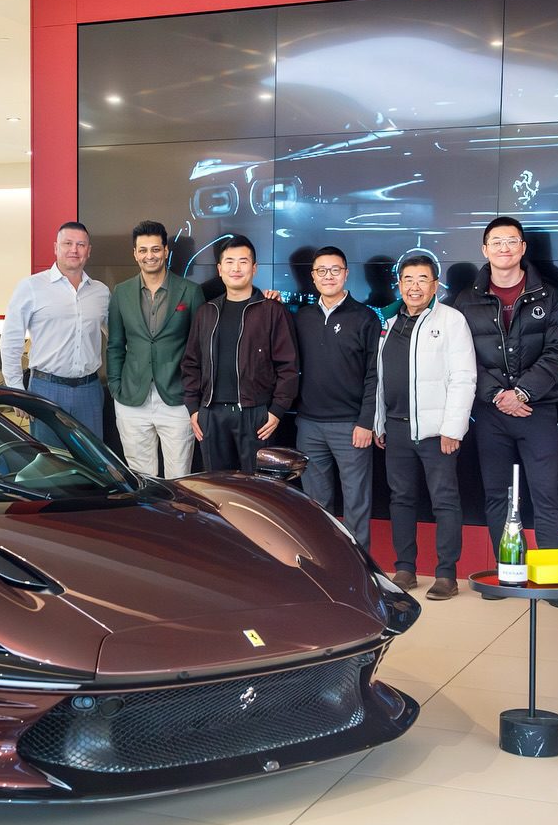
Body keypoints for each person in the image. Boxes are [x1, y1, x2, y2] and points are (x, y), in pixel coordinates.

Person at [452, 216, 558, 606]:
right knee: (497, 495)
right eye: (496, 242)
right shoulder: (465, 300)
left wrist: (521, 392)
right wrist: (498, 395)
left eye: (512, 241)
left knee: (545, 494)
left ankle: (553, 582)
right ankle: (508, 574)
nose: (504, 248)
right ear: (485, 250)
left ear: (523, 248)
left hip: (537, 410)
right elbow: (462, 356)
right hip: (490, 411)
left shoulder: (551, 295)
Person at [374, 254, 476, 601]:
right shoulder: (388, 321)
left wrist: (453, 428)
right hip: (397, 427)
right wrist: (378, 422)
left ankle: (446, 573)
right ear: (399, 284)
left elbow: (464, 378)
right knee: (401, 499)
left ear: (435, 285)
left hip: (436, 431)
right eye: (407, 279)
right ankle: (405, 568)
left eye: (422, 279)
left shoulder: (451, 320)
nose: (414, 286)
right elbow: (379, 378)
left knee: (444, 501)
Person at [181, 234, 298, 473]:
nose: (236, 268)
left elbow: (288, 365)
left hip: (255, 414)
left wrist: (276, 411)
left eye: (243, 262)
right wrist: (194, 408)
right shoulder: (207, 311)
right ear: (220, 269)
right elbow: (191, 362)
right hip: (211, 413)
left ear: (254, 268)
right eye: (230, 262)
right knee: (218, 487)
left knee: (259, 489)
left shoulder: (271, 310)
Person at [292, 246, 380, 550]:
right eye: (322, 271)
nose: (328, 276)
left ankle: (361, 568)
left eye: (335, 270)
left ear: (346, 274)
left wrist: (366, 422)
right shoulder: (301, 317)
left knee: (356, 503)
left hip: (351, 426)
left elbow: (374, 375)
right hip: (309, 425)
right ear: (313, 277)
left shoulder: (365, 317)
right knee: (316, 505)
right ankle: (327, 568)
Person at [106, 221, 206, 476]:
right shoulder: (121, 292)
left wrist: (193, 393)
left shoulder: (191, 292)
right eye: (142, 250)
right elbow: (115, 345)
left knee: (179, 478)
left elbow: (201, 349)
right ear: (135, 253)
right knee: (141, 479)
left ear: (165, 251)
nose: (149, 256)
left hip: (176, 399)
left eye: (155, 249)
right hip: (131, 399)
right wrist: (116, 387)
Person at [0, 221, 109, 436]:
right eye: (67, 243)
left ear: (89, 250)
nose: (74, 250)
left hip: (90, 391)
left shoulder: (101, 292)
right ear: (55, 248)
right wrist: (16, 391)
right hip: (46, 389)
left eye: (81, 244)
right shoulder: (31, 286)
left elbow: (118, 339)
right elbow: (11, 340)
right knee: (50, 463)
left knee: (93, 465)